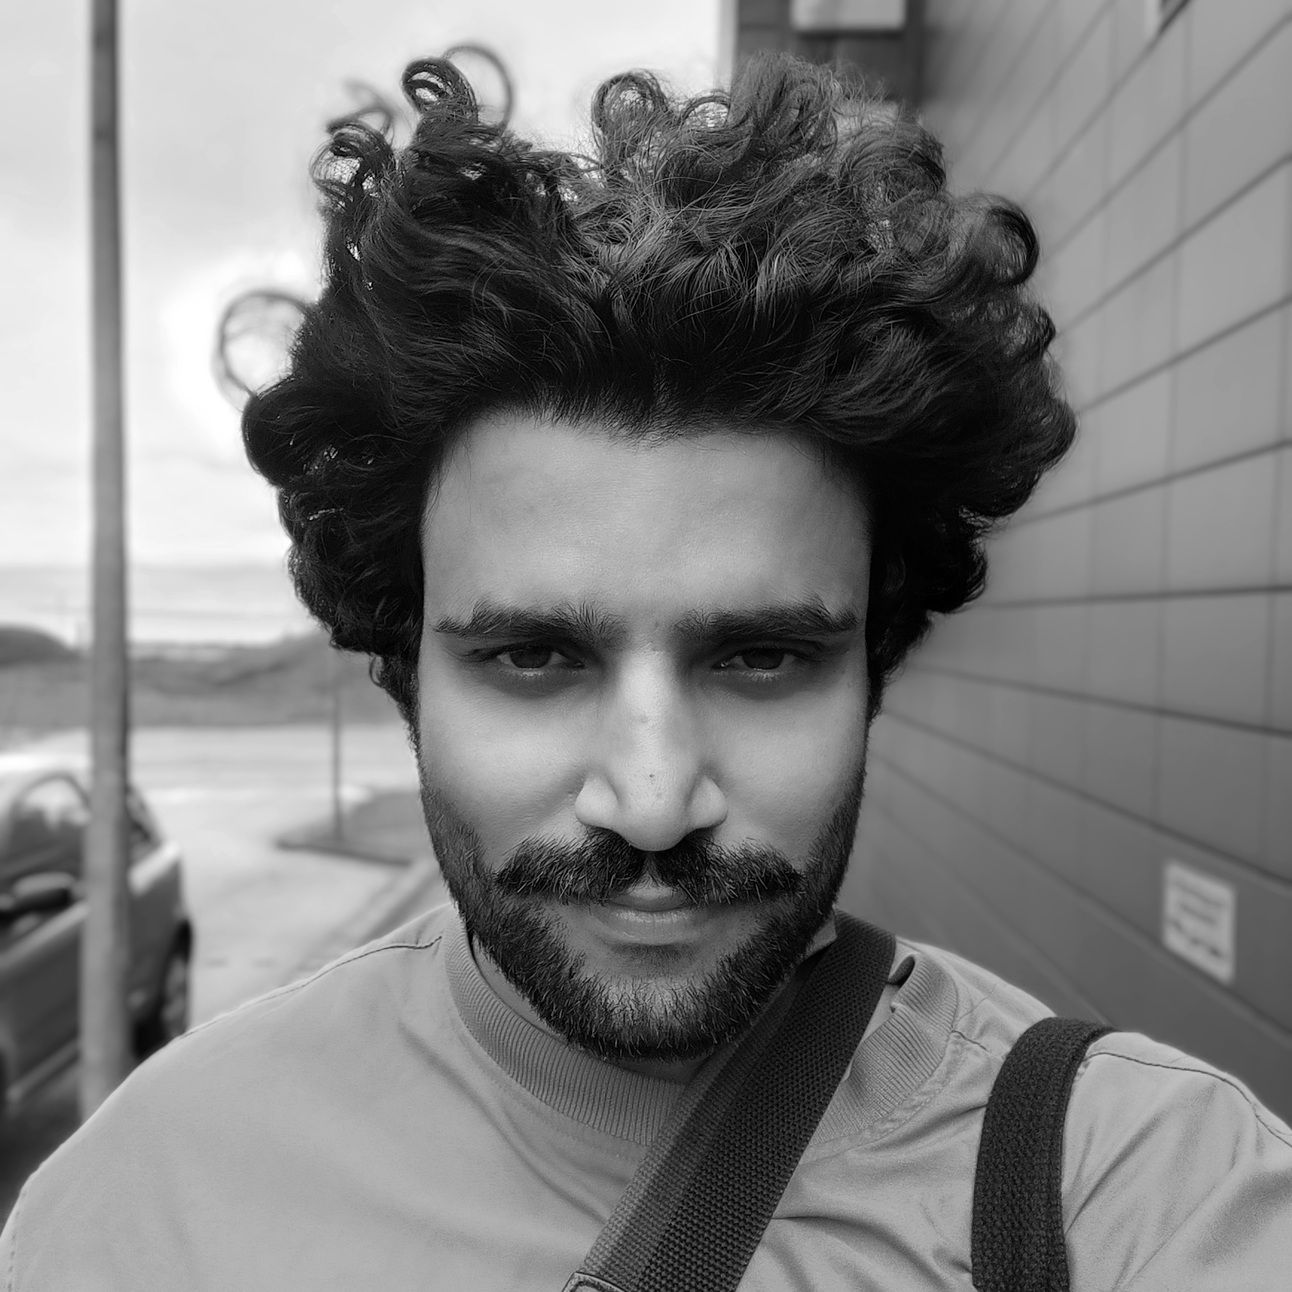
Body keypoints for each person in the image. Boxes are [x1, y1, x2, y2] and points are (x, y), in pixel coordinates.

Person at [4, 53, 1290, 1291]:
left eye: (761, 656)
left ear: (872, 662)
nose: (654, 800)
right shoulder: (147, 1204)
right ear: (405, 669)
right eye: (531, 655)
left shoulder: (1126, 1189)